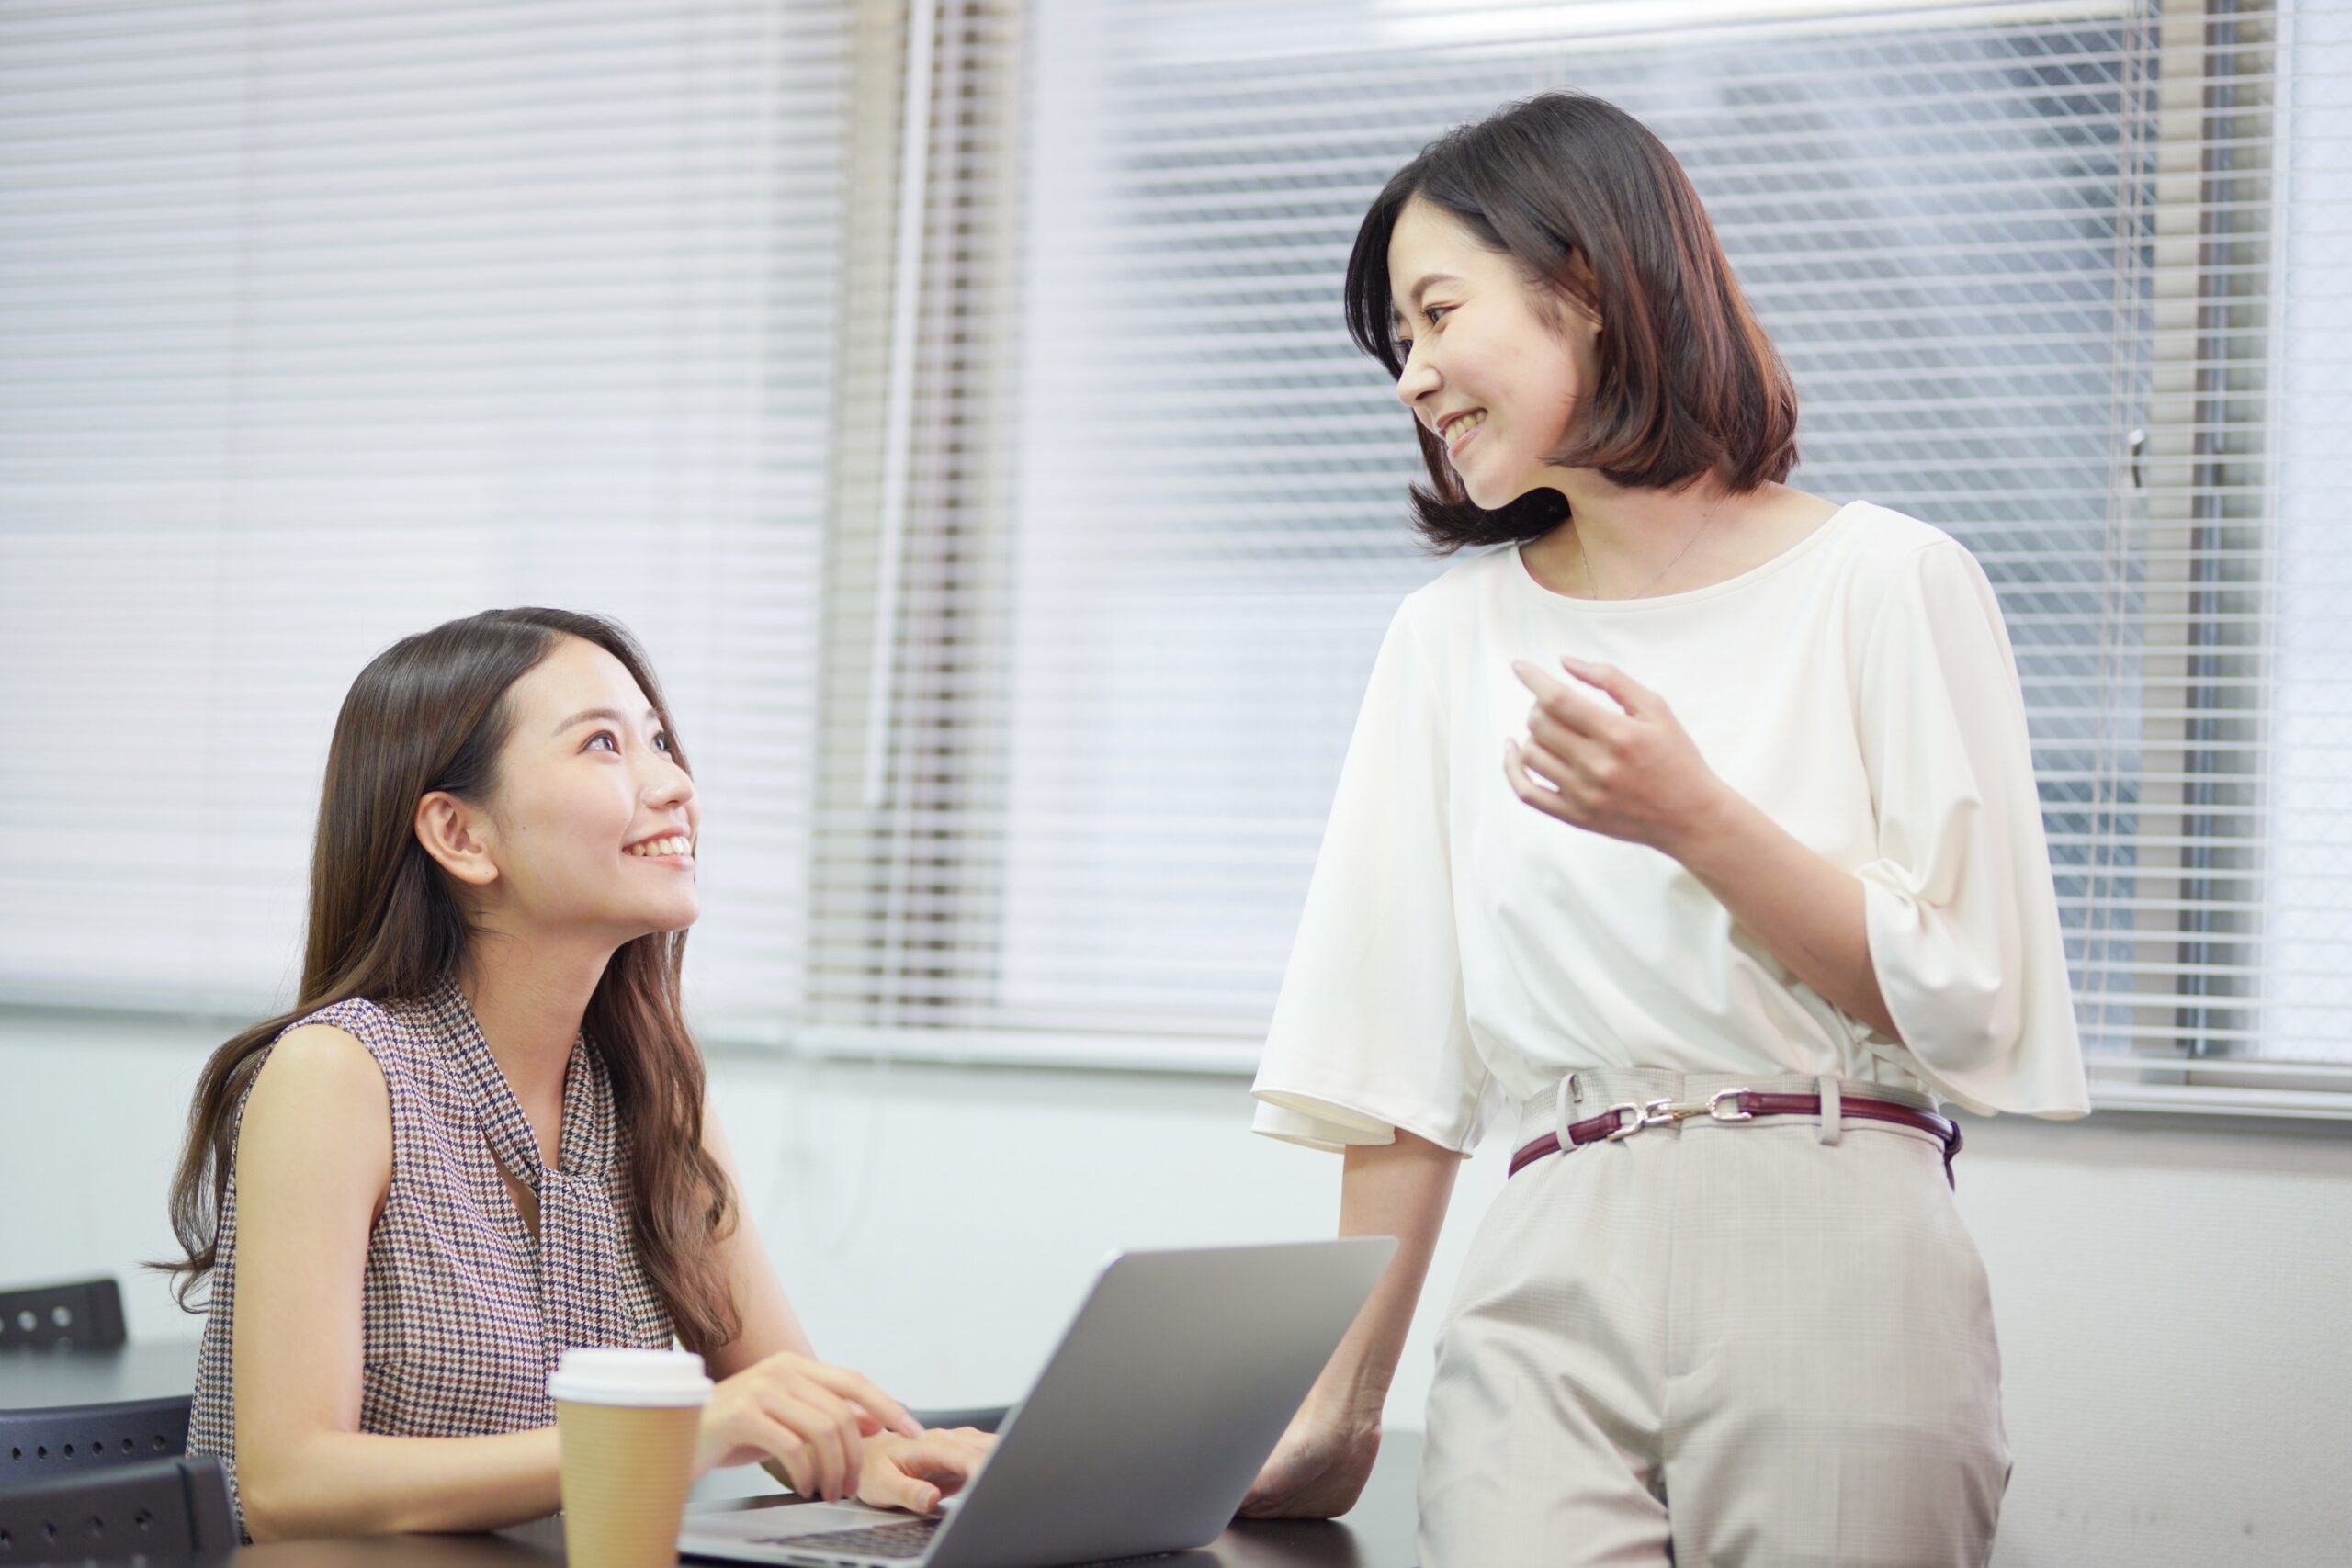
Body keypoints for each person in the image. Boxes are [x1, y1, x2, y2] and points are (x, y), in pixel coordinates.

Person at [1237, 94, 2089, 1566]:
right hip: (1548, 1243)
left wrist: (1690, 816)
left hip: (1840, 1236)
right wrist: (1342, 1407)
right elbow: (1398, 1064)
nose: (1413, 374)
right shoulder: (1448, 638)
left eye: (1437, 314)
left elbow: (1973, 999)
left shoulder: (1890, 581)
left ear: (1585, 285)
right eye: (1400, 341)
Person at [164, 608, 992, 1541]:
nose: (675, 784)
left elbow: (775, 1398)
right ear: (460, 835)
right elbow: (288, 1483)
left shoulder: (655, 1090)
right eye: (603, 743)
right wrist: (662, 1435)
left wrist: (877, 1455)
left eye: (659, 741)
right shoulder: (335, 1073)